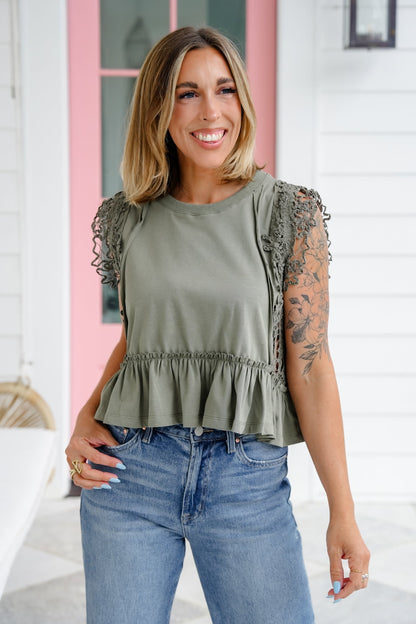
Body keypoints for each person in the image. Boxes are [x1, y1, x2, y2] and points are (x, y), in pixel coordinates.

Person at [66, 26, 370, 624]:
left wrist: (343, 511)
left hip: (244, 479)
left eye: (225, 89)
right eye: (187, 93)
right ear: (159, 108)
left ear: (242, 101)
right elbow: (140, 340)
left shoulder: (288, 214)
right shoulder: (128, 218)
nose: (211, 111)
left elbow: (311, 366)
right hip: (130, 472)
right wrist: (86, 415)